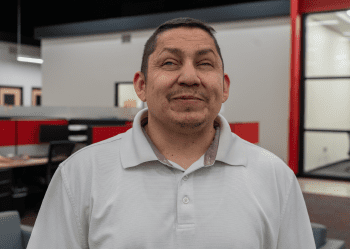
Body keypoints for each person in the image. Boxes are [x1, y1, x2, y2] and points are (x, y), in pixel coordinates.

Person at [26, 17, 316, 249]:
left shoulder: (276, 177)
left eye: (204, 64)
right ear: (141, 85)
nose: (189, 78)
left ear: (224, 87)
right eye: (169, 63)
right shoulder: (78, 175)